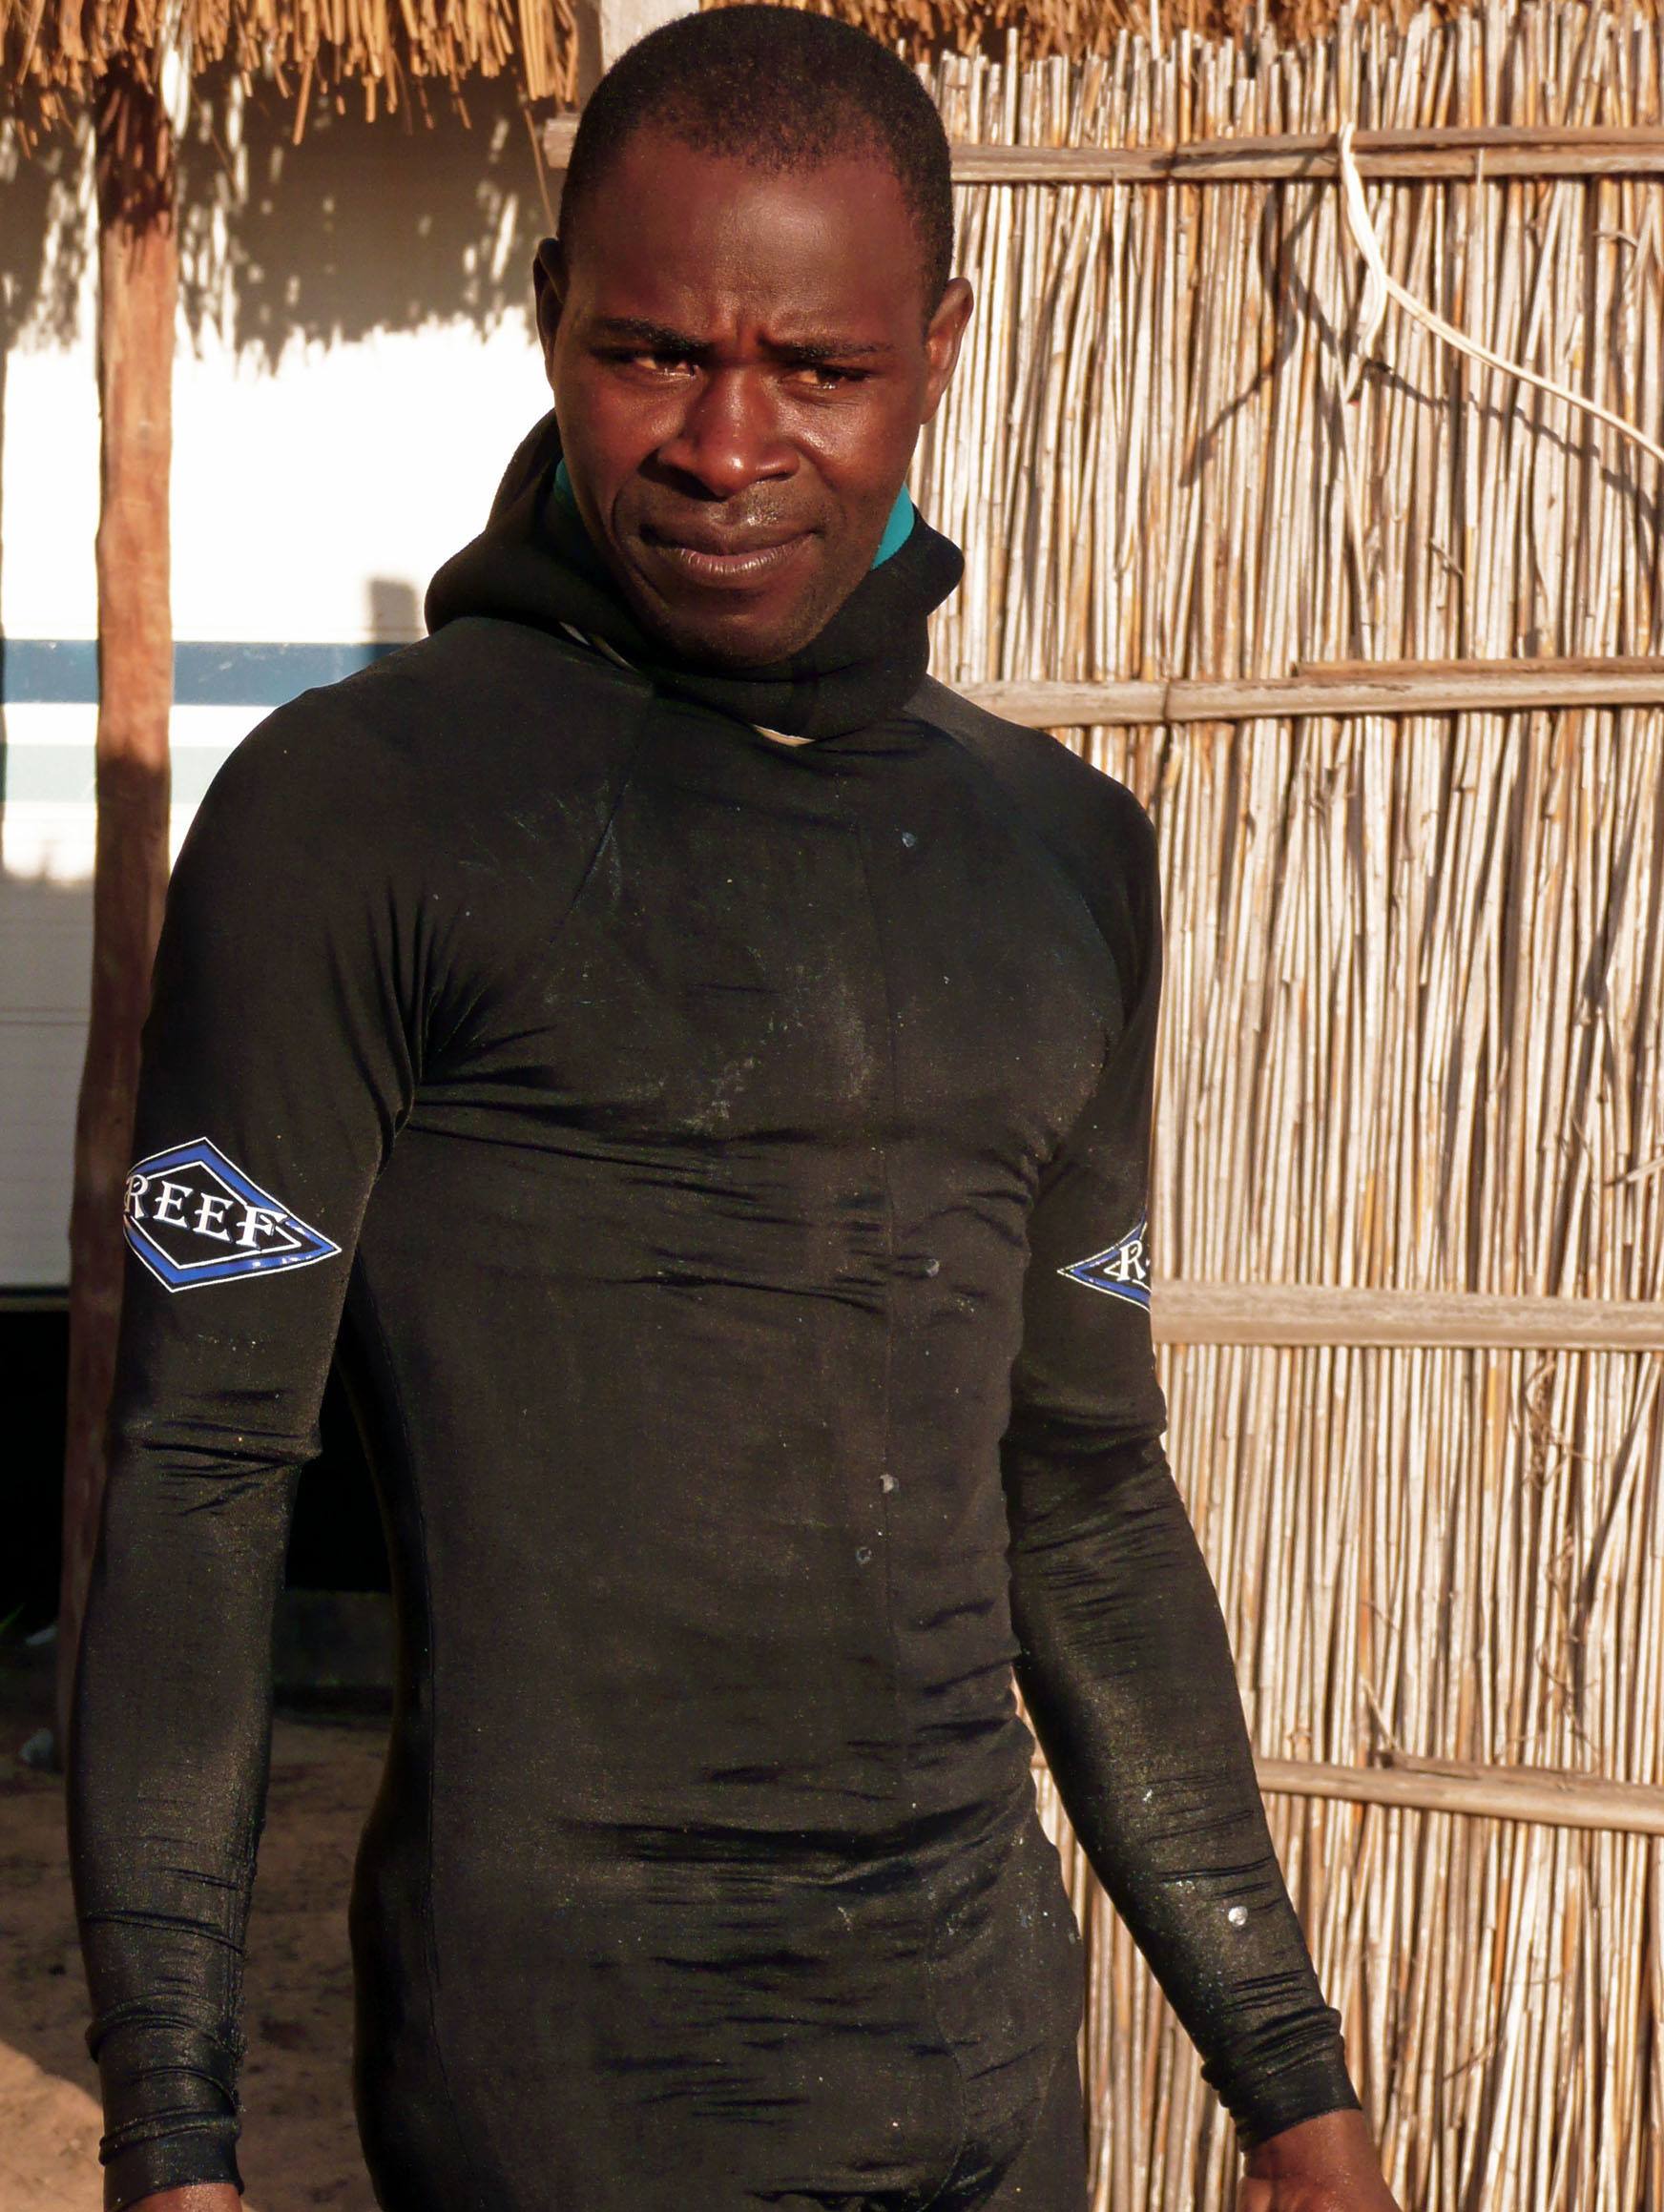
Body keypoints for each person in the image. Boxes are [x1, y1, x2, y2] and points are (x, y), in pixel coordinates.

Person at [68, 10, 1402, 2212]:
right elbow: (200, 1488)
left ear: (940, 349)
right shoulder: (353, 819)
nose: (724, 440)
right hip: (562, 2094)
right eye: (649, 351)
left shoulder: (1059, 851)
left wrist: (1286, 2073)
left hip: (985, 2074)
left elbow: (1080, 1489)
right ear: (547, 320)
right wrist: (178, 2137)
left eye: (817, 368)